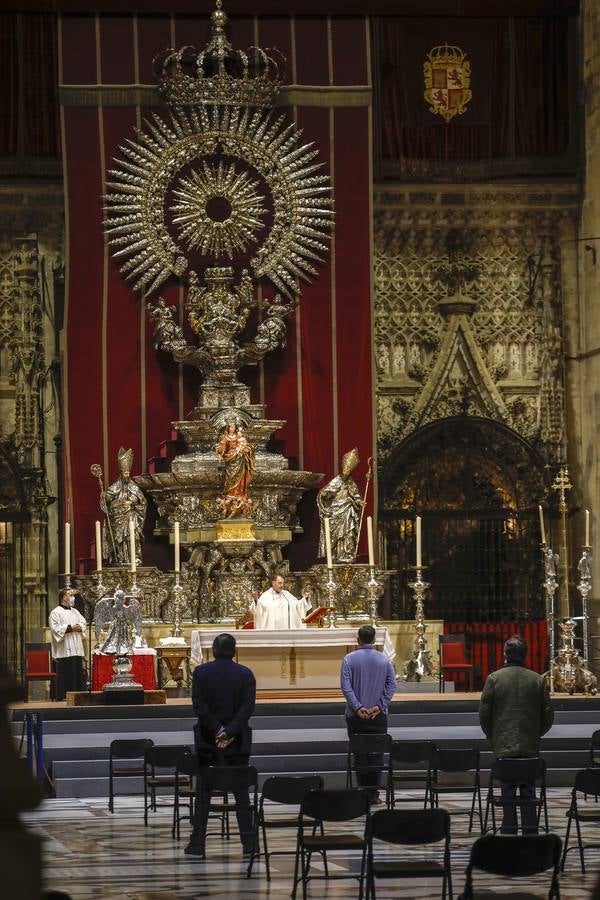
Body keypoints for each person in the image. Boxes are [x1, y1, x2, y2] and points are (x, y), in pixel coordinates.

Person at [185, 633, 256, 858]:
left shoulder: (201, 672)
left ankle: (197, 842)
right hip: (238, 741)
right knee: (241, 794)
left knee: (204, 793)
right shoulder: (245, 674)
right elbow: (247, 707)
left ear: (213, 650)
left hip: (208, 739)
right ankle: (249, 843)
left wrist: (217, 730)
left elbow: (199, 706)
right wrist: (231, 731)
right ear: (234, 650)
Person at [479, 635, 554, 833]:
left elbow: (484, 714)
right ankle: (530, 828)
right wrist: (536, 733)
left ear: (505, 655)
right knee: (529, 790)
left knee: (508, 790)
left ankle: (509, 827)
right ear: (525, 655)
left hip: (504, 744)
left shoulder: (494, 678)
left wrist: (492, 736)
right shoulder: (538, 679)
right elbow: (548, 715)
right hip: (530, 744)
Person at [341, 624, 397, 804]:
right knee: (377, 754)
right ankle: (374, 794)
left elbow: (346, 687)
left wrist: (358, 707)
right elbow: (391, 685)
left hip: (356, 716)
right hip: (378, 715)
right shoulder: (384, 660)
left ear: (358, 640)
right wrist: (379, 706)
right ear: (374, 640)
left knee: (360, 754)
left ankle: (363, 793)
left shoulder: (349, 659)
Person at [101, 446, 147, 566]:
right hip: (118, 518)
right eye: (125, 473)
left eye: (128, 473)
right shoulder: (115, 486)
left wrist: (131, 502)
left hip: (131, 516)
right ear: (121, 473)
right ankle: (120, 557)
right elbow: (109, 498)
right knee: (119, 539)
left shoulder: (133, 486)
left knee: (133, 536)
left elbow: (142, 501)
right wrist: (105, 496)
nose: (127, 475)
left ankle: (134, 557)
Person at [317, 447, 363, 562]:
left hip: (347, 510)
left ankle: (347, 553)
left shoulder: (351, 483)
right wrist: (324, 494)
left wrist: (360, 502)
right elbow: (326, 492)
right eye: (345, 467)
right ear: (343, 468)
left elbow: (356, 495)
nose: (347, 470)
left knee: (348, 532)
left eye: (349, 468)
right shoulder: (337, 480)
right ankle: (336, 554)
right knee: (337, 534)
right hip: (336, 510)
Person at [48, 587, 87, 699]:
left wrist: (81, 627)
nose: (72, 598)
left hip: (76, 647)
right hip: (63, 649)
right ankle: (62, 696)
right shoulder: (56, 612)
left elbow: (83, 622)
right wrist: (70, 628)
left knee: (76, 672)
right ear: (64, 597)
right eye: (70, 595)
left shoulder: (75, 611)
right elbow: (55, 629)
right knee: (65, 673)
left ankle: (78, 696)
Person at [216, 421, 256, 518]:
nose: (232, 429)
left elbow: (246, 446)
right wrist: (220, 450)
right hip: (230, 460)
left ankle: (239, 494)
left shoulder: (239, 437)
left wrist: (244, 450)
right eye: (230, 427)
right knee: (231, 477)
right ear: (228, 428)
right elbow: (222, 448)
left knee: (240, 476)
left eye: (233, 427)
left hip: (239, 460)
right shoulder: (226, 438)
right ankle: (230, 494)